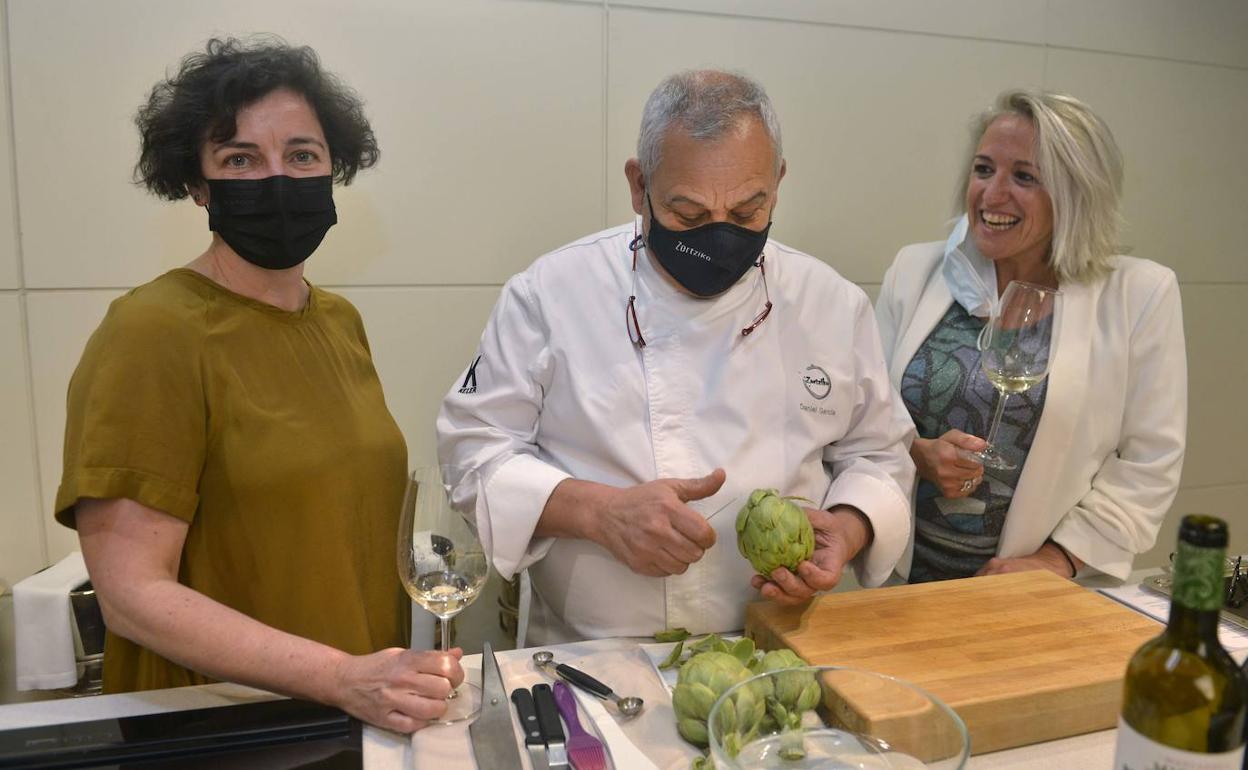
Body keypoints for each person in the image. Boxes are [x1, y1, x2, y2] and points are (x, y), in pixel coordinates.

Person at [55, 38, 462, 732]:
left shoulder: (337, 320)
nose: (278, 178)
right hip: (224, 728)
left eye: (302, 155)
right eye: (240, 158)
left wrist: (363, 679)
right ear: (197, 182)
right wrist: (337, 676)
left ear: (335, 167)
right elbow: (130, 594)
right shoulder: (152, 333)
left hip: (348, 713)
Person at [437, 70, 915, 644]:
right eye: (688, 215)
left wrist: (849, 526)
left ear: (778, 183)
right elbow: (472, 452)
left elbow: (881, 453)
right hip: (590, 657)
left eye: (746, 213)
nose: (717, 237)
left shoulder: (831, 303)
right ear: (639, 186)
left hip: (779, 645)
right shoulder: (550, 294)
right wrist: (597, 512)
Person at [875, 89, 1186, 584]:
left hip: (1041, 592)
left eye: (1024, 177)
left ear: (1075, 194)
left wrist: (1056, 561)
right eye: (983, 170)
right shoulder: (913, 271)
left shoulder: (1140, 295)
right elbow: (864, 418)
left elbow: (1150, 464)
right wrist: (916, 452)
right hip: (905, 585)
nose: (992, 195)